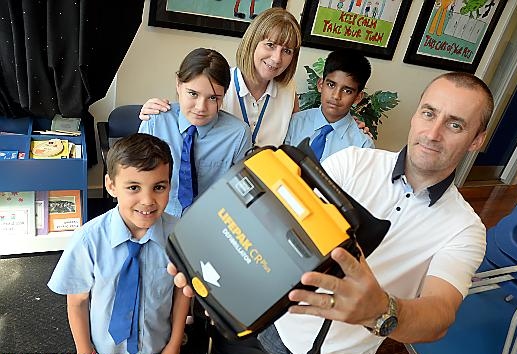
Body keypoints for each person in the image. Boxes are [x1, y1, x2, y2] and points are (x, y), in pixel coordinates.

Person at [169, 71, 493, 354]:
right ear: (416, 114)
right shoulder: (353, 161)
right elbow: (275, 222)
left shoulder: (465, 229)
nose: (433, 133)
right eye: (429, 113)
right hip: (273, 321)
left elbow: (440, 313)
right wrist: (215, 261)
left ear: (476, 140)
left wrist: (381, 310)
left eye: (455, 124)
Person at [49, 133, 188, 354]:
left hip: (157, 349)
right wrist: (85, 353)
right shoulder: (87, 240)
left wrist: (174, 344)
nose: (147, 200)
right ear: (111, 186)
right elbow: (77, 302)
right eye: (134, 187)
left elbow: (181, 293)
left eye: (159, 187)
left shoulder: (180, 235)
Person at [140, 7, 301, 147]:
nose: (277, 58)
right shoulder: (218, 84)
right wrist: (155, 112)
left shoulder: (288, 91)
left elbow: (292, 143)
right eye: (270, 45)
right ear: (252, 43)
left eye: (287, 51)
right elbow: (186, 118)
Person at [138, 48, 252, 217]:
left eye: (213, 98)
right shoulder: (156, 120)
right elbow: (136, 177)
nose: (201, 107)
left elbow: (240, 193)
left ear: (224, 95)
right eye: (193, 94)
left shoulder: (238, 134)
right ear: (178, 84)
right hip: (156, 216)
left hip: (207, 222)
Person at [284, 49, 374, 161]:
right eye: (331, 85)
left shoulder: (362, 144)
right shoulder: (295, 123)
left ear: (357, 97)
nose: (336, 96)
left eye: (347, 91)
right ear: (321, 85)